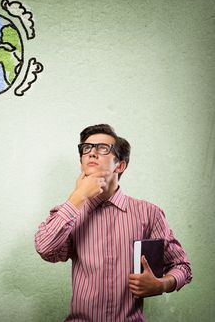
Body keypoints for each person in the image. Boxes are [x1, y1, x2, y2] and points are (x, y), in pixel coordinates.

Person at [34, 124, 192, 322]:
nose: (91, 153)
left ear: (120, 165)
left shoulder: (149, 213)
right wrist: (79, 196)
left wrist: (161, 285)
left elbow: (182, 266)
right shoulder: (70, 212)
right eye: (86, 148)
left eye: (102, 148)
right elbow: (45, 249)